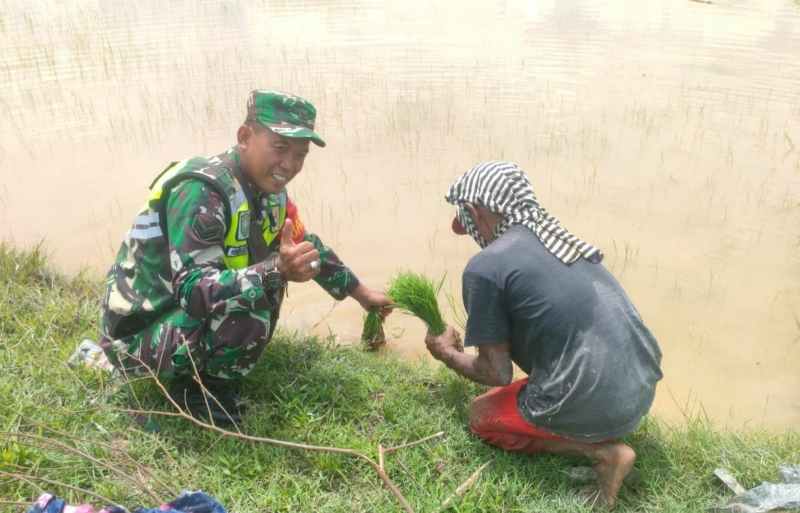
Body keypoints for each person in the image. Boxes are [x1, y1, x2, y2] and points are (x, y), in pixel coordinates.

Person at [99, 90, 391, 423]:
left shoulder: (269, 191)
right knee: (252, 302)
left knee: (266, 281)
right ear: (244, 137)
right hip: (138, 331)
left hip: (175, 316)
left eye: (300, 155)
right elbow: (193, 290)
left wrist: (361, 294)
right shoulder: (202, 192)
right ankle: (199, 394)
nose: (290, 165)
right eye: (279, 147)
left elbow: (304, 246)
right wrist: (275, 269)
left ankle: (206, 376)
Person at [424, 161, 663, 508]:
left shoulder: (485, 268)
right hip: (640, 388)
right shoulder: (556, 239)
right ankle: (597, 422)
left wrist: (446, 352)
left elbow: (496, 373)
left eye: (465, 219)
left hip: (601, 400)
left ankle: (604, 452)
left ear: (476, 212)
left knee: (481, 416)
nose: (465, 230)